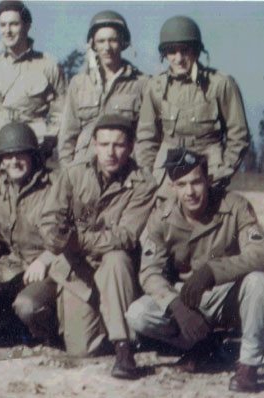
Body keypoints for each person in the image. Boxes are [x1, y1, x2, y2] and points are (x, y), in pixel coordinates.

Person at [125, 148, 264, 392]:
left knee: (259, 284)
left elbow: (262, 255)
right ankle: (201, 344)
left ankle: (248, 365)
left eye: (196, 182)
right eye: (182, 184)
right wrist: (176, 306)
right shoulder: (162, 218)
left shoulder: (234, 206)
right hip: (188, 298)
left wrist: (213, 271)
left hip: (227, 294)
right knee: (138, 315)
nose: (190, 192)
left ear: (208, 180)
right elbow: (150, 273)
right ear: (172, 187)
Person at [39, 114, 156, 378]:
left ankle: (124, 348)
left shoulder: (143, 184)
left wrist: (75, 239)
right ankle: (108, 320)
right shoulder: (72, 174)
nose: (110, 153)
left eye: (118, 145)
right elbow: (49, 220)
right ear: (93, 144)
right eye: (104, 144)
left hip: (114, 268)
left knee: (117, 257)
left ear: (131, 147)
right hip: (77, 269)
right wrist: (55, 237)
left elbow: (125, 236)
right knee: (82, 350)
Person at [134, 16, 249, 198]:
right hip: (167, 171)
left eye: (185, 50)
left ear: (196, 51)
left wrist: (221, 173)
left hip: (208, 169)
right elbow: (147, 137)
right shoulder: (155, 88)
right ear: (164, 54)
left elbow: (239, 136)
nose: (178, 58)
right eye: (172, 52)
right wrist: (149, 175)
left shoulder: (220, 84)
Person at [0, 122, 59, 344]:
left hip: (50, 265)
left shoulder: (55, 184)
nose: (14, 162)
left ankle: (49, 332)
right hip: (14, 263)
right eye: (8, 156)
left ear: (32, 156)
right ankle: (11, 328)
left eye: (21, 155)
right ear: (0, 160)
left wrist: (46, 258)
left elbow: (76, 226)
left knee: (27, 306)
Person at [0, 0, 65, 177]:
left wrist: (47, 143)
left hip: (31, 150)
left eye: (14, 24)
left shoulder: (48, 65)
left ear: (27, 26)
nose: (8, 31)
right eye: (3, 25)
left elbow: (62, 113)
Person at [57, 11, 147, 166]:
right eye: (101, 41)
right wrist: (68, 173)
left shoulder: (141, 83)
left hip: (124, 167)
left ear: (123, 42)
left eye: (113, 40)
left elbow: (145, 136)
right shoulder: (79, 83)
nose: (107, 47)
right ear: (93, 44)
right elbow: (67, 136)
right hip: (84, 167)